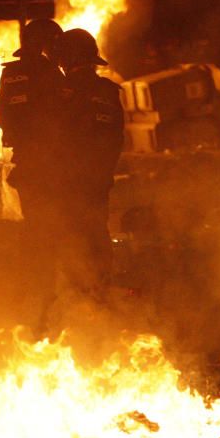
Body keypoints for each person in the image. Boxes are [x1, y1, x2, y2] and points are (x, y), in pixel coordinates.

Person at [56, 28, 124, 289]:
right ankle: (101, 295)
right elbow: (116, 140)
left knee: (67, 242)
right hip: (97, 183)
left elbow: (50, 137)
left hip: (64, 185)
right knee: (96, 236)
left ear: (65, 59)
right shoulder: (108, 92)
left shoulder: (59, 92)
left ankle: (74, 298)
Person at [0, 18, 66, 259]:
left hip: (25, 161)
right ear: (43, 44)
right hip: (51, 164)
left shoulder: (10, 73)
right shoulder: (50, 74)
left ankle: (33, 276)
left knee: (34, 223)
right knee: (53, 227)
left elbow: (2, 113)